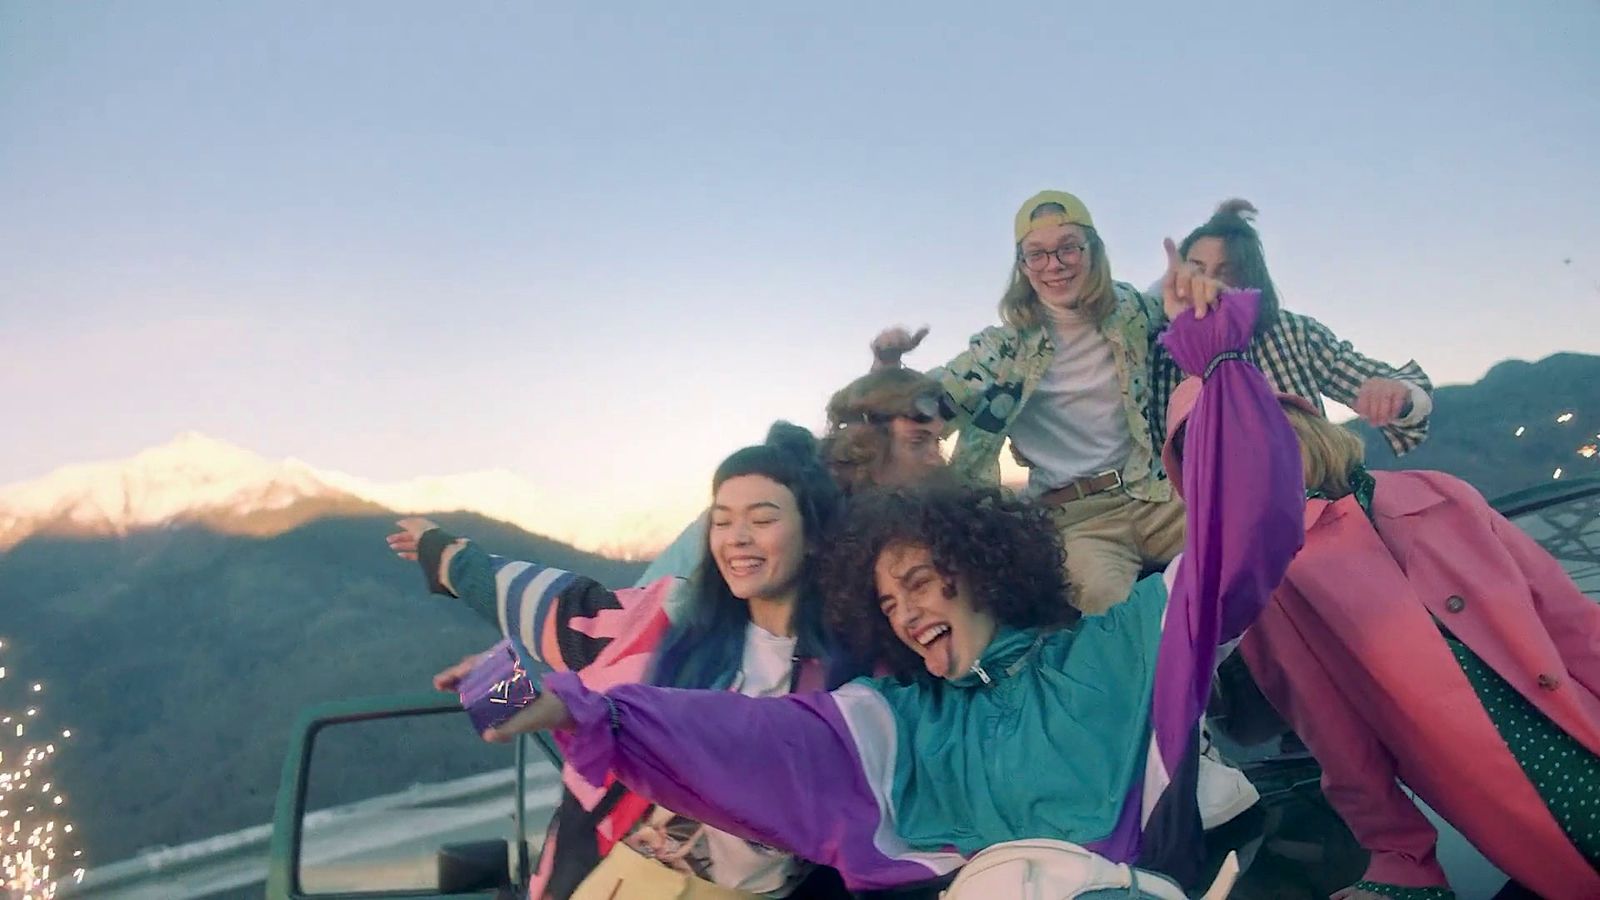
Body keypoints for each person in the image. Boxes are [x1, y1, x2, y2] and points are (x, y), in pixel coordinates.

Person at [474, 289, 1304, 894]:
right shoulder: (891, 721)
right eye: (887, 601)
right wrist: (554, 700)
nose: (904, 612)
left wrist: (1223, 366)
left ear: (980, 567)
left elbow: (1240, 538)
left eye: (917, 583)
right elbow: (741, 736)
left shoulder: (1115, 654)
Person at [1161, 377, 1600, 900]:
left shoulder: (1440, 494)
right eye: (1212, 458)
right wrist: (1403, 868)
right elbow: (1337, 740)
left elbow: (1573, 625)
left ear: (1294, 425)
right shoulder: (1269, 584)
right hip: (1539, 804)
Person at [387, 423, 859, 900]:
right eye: (722, 520)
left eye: (761, 520)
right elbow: (562, 614)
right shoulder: (664, 622)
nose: (737, 538)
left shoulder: (847, 675)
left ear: (814, 535)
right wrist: (447, 560)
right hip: (608, 881)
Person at [871, 190, 1220, 615]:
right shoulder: (1001, 351)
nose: (1054, 265)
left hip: (1154, 495)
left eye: (1068, 248)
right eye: (1036, 254)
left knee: (1249, 530)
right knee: (1109, 613)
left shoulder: (1128, 310)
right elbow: (919, 404)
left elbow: (1173, 302)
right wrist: (885, 365)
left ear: (1093, 250)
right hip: (1077, 519)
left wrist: (1188, 299)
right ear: (1022, 267)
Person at [1162, 199, 1434, 455]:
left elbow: (1397, 392)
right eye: (1196, 271)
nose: (1207, 284)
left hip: (1314, 496)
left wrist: (1398, 398)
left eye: (1225, 272)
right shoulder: (1157, 352)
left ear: (1249, 279)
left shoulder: (1295, 334)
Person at [638, 366, 950, 586]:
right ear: (869, 442)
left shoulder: (864, 511)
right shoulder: (775, 497)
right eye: (917, 441)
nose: (935, 459)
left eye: (936, 441)